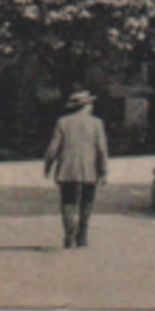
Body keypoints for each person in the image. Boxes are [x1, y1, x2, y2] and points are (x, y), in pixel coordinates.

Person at [43, 89, 110, 249]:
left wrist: (48, 166)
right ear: (86, 106)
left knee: (68, 202)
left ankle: (69, 234)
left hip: (67, 168)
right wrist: (103, 171)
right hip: (89, 169)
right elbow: (101, 149)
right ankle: (82, 236)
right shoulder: (96, 123)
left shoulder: (63, 122)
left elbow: (53, 148)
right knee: (87, 202)